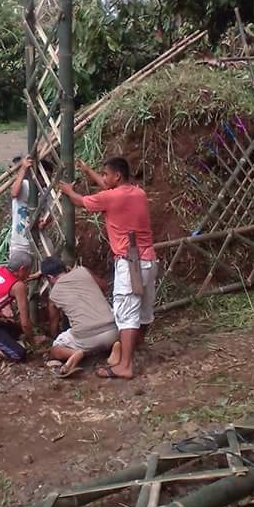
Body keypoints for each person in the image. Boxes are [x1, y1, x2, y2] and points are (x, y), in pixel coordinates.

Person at [59, 157, 157, 380]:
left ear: (117, 176)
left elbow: (79, 201)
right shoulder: (137, 193)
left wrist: (67, 190)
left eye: (105, 174)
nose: (103, 178)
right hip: (149, 260)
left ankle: (125, 365)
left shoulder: (111, 198)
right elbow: (108, 190)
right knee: (143, 312)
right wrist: (88, 170)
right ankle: (130, 351)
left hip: (130, 262)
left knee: (126, 314)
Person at [42, 256, 120, 377]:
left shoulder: (53, 295)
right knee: (112, 314)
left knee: (55, 348)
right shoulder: (83, 271)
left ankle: (76, 353)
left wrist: (54, 337)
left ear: (50, 277)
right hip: (113, 330)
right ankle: (115, 345)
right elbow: (104, 286)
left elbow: (54, 324)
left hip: (87, 339)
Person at [10, 155, 52, 257]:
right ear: (37, 176)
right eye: (44, 177)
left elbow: (49, 212)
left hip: (40, 240)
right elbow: (14, 193)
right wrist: (23, 169)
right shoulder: (25, 185)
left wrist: (45, 221)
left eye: (48, 178)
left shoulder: (46, 192)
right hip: (20, 242)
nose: (46, 181)